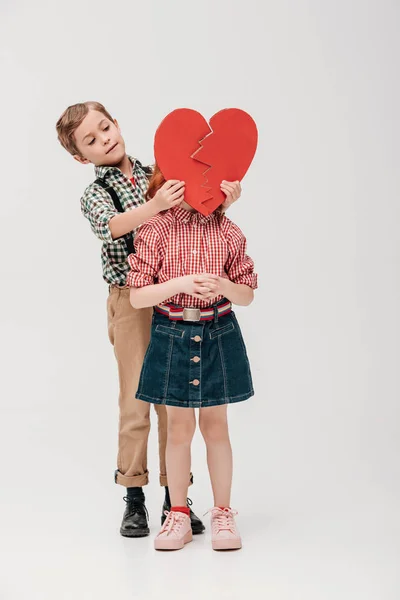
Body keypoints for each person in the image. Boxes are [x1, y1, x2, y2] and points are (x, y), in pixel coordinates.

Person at [55, 101, 241, 537]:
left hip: (172, 296)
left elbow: (197, 212)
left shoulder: (160, 168)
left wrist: (224, 200)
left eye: (106, 128)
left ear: (117, 123)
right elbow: (113, 226)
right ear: (82, 157)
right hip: (131, 300)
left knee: (173, 402)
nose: (105, 139)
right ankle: (133, 495)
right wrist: (155, 205)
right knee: (136, 400)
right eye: (92, 140)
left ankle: (174, 501)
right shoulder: (95, 193)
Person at [127, 164, 257, 550]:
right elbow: (137, 295)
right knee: (179, 429)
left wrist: (225, 286)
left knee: (216, 427)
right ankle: (178, 514)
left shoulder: (229, 231)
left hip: (218, 330)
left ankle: (222, 512)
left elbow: (247, 294)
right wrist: (181, 284)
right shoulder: (155, 230)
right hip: (172, 332)